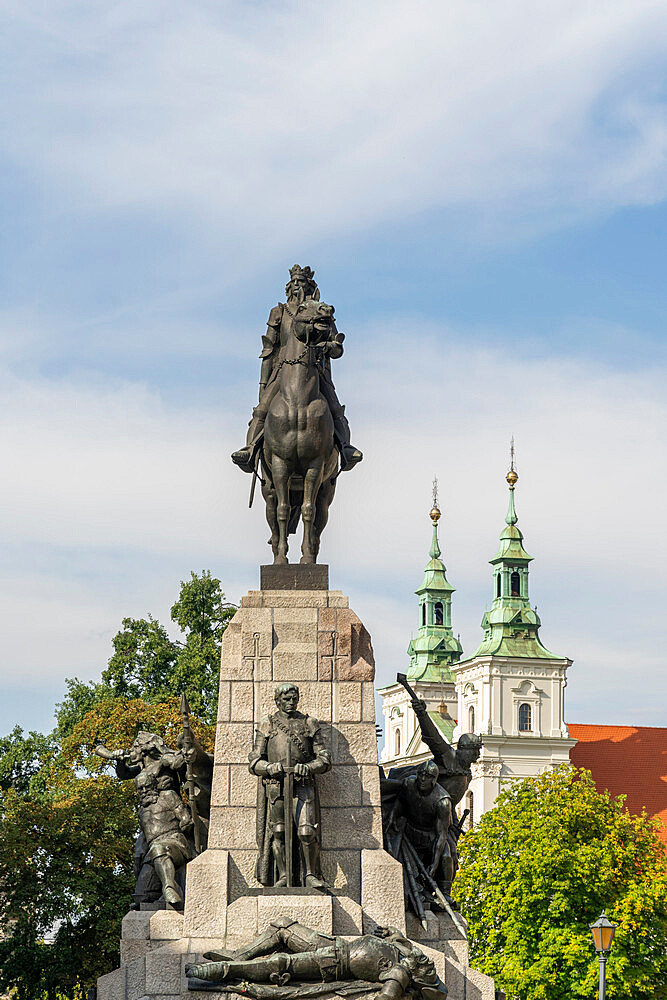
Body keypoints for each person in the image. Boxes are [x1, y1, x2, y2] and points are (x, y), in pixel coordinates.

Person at [232, 265, 362, 474]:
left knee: (335, 408)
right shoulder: (279, 312)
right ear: (288, 287)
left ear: (310, 287)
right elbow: (268, 350)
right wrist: (264, 385)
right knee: (263, 408)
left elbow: (337, 347)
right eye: (294, 283)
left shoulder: (321, 311)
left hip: (315, 370)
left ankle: (346, 449)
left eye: (301, 283)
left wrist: (328, 346)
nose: (297, 287)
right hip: (283, 370)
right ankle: (250, 450)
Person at [185, 919, 448, 1000]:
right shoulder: (404, 951)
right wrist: (396, 934)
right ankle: (237, 956)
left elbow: (385, 998)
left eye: (428, 969)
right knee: (283, 926)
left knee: (277, 965)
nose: (428, 963)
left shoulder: (400, 973)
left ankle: (222, 969)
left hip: (332, 962)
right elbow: (400, 939)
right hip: (332, 945)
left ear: (419, 978)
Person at [94, 730, 195, 906]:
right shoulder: (141, 768)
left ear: (145, 748)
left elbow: (177, 762)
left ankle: (170, 888)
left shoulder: (162, 761)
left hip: (170, 817)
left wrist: (182, 753)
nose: (132, 750)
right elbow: (124, 774)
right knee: (138, 858)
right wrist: (119, 760)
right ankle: (148, 896)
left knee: (157, 850)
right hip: (148, 820)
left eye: (135, 747)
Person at [248, 683, 331, 888]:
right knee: (279, 831)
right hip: (276, 785)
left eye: (294, 698)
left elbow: (324, 759)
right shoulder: (267, 724)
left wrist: (309, 767)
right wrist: (269, 767)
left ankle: (310, 874)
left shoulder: (309, 723)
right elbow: (254, 761)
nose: (291, 702)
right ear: (277, 701)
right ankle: (284, 874)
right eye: (286, 699)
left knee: (306, 831)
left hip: (303, 784)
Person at [384, 759, 453, 908]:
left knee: (446, 857)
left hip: (431, 837)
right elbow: (401, 801)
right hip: (410, 831)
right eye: (420, 774)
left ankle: (445, 893)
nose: (422, 779)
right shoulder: (409, 783)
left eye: (427, 776)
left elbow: (441, 835)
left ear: (434, 780)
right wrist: (392, 816)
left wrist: (434, 865)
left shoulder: (443, 801)